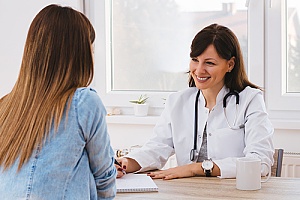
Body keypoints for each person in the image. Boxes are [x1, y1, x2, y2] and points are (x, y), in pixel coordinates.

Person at [116, 23, 274, 180]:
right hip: (188, 192)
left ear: (230, 64)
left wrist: (195, 168)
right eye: (195, 60)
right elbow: (157, 148)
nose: (199, 70)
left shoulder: (250, 100)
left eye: (209, 63)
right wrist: (126, 162)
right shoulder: (177, 101)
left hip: (233, 192)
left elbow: (259, 162)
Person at [0, 4, 116, 199]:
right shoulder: (84, 102)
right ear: (80, 54)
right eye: (92, 49)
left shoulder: (6, 106)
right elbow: (104, 177)